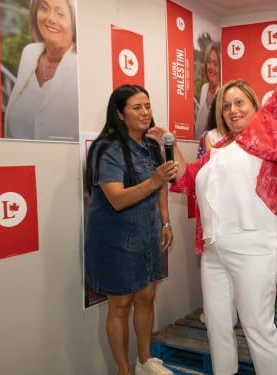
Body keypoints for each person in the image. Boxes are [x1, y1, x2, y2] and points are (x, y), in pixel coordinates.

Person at [159, 3, 277, 375]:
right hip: (215, 252)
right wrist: (170, 149)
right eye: (226, 105)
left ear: (256, 108)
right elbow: (185, 182)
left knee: (258, 328)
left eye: (240, 103)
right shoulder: (215, 150)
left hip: (254, 247)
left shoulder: (261, 135)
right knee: (218, 329)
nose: (233, 109)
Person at [84, 84, 177, 375]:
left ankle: (144, 361)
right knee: (121, 305)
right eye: (137, 107)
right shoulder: (107, 148)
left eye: (147, 106)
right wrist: (153, 180)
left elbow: (161, 186)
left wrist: (165, 221)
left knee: (146, 297)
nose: (145, 112)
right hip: (116, 241)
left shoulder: (151, 145)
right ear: (120, 114)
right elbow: (116, 199)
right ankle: (124, 370)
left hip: (148, 235)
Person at [5, 0, 78, 141]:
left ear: (73, 23)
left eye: (60, 13)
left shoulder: (81, 66)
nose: (51, 18)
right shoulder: (29, 54)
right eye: (44, 8)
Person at [194, 42, 222, 140]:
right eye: (209, 62)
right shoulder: (204, 88)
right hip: (197, 145)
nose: (211, 67)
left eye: (216, 64)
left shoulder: (222, 92)